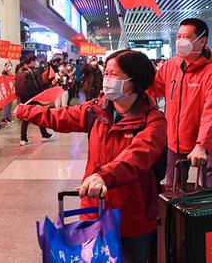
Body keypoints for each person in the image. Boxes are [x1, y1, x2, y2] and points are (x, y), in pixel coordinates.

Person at [16, 49, 166, 262]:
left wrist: (103, 176)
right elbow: (62, 116)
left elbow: (138, 155)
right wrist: (27, 111)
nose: (107, 79)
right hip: (94, 209)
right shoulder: (97, 110)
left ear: (135, 81)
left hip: (133, 215)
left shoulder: (153, 121)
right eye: (107, 73)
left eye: (115, 75)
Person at [149, 18, 212, 187]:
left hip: (206, 145)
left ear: (202, 41)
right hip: (175, 141)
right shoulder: (171, 65)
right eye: (178, 36)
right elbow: (154, 90)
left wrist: (202, 145)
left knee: (211, 194)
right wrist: (137, 78)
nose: (180, 41)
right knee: (173, 191)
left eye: (186, 37)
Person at [15, 54, 53, 146]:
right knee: (39, 114)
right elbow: (40, 83)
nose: (36, 62)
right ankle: (44, 134)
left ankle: (23, 138)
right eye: (35, 61)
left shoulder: (20, 70)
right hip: (33, 97)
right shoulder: (35, 71)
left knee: (25, 117)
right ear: (32, 61)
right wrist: (48, 85)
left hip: (23, 97)